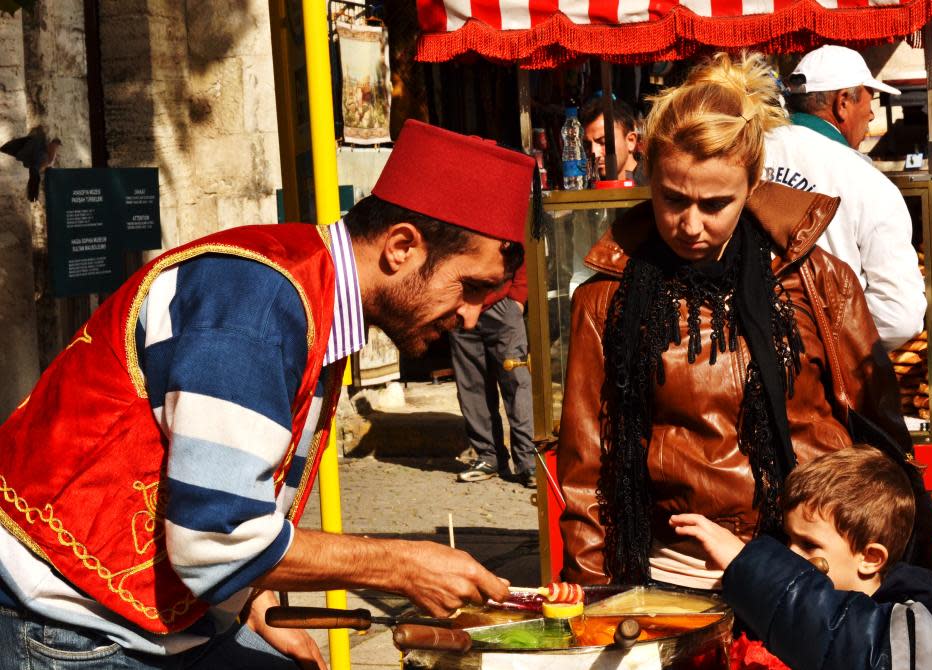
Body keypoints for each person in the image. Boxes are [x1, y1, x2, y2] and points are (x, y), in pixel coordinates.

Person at [0, 120, 536, 669]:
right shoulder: (258, 304)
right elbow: (218, 536)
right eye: (469, 288)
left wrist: (249, 597)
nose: (472, 317)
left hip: (158, 616)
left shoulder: (311, 294)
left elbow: (232, 499)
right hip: (70, 625)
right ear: (401, 246)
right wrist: (401, 565)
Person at [557, 52, 923, 591]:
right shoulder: (606, 300)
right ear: (648, 180)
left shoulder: (820, 281)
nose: (690, 224)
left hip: (812, 576)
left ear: (753, 185)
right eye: (672, 199)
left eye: (715, 203)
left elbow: (880, 437)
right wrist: (598, 600)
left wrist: (896, 574)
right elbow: (589, 475)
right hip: (679, 576)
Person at [671, 447, 932, 669]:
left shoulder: (914, 631)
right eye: (789, 539)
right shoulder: (785, 621)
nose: (790, 554)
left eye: (809, 544)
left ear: (870, 558)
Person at [763, 44, 925, 350]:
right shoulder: (867, 181)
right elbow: (900, 314)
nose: (872, 113)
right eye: (869, 99)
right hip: (821, 382)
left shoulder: (743, 153)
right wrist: (822, 338)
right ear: (843, 103)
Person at [452, 262, 537, 488]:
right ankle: (489, 457)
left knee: (517, 384)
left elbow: (524, 243)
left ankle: (528, 461)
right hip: (458, 306)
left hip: (502, 305)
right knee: (471, 387)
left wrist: (518, 298)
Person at [579, 96, 646, 185]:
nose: (594, 152)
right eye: (587, 145)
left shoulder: (652, 187)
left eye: (603, 142)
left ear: (631, 141)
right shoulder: (590, 188)